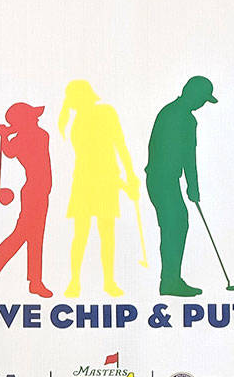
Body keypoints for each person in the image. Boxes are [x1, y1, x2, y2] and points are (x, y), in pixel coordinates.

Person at [58, 80, 140, 299]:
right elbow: (100, 155)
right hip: (87, 181)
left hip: (102, 181)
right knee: (82, 234)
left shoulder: (105, 113)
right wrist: (126, 180)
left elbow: (119, 144)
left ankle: (108, 282)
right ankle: (75, 281)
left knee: (105, 233)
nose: (72, 103)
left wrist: (130, 176)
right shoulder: (78, 120)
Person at [145, 75, 218, 296]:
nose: (203, 104)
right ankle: (170, 282)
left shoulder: (169, 111)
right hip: (164, 180)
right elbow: (188, 156)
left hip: (161, 179)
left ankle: (171, 279)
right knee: (175, 225)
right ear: (192, 93)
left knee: (175, 225)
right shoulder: (184, 119)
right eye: (203, 99)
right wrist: (193, 186)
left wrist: (187, 185)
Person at [0, 102, 53, 298]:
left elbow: (9, 150)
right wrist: (7, 133)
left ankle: (35, 281)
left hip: (40, 192)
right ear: (26, 120)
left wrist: (6, 134)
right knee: (22, 235)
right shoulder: (30, 136)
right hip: (34, 192)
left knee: (35, 238)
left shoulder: (34, 136)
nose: (37, 118)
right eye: (32, 116)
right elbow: (11, 151)